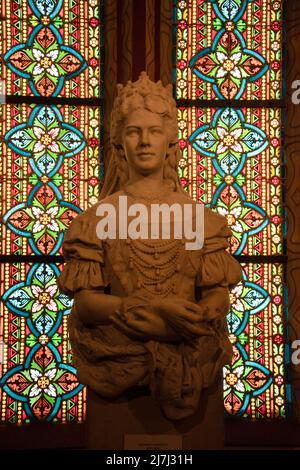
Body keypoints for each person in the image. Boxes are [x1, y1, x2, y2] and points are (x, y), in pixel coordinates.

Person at [57, 72, 242, 420]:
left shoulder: (202, 219)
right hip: (116, 363)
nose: (144, 141)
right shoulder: (96, 220)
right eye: (133, 132)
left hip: (193, 358)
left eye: (154, 132)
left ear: (169, 143)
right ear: (118, 143)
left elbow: (217, 293)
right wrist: (157, 314)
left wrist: (197, 315)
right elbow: (86, 303)